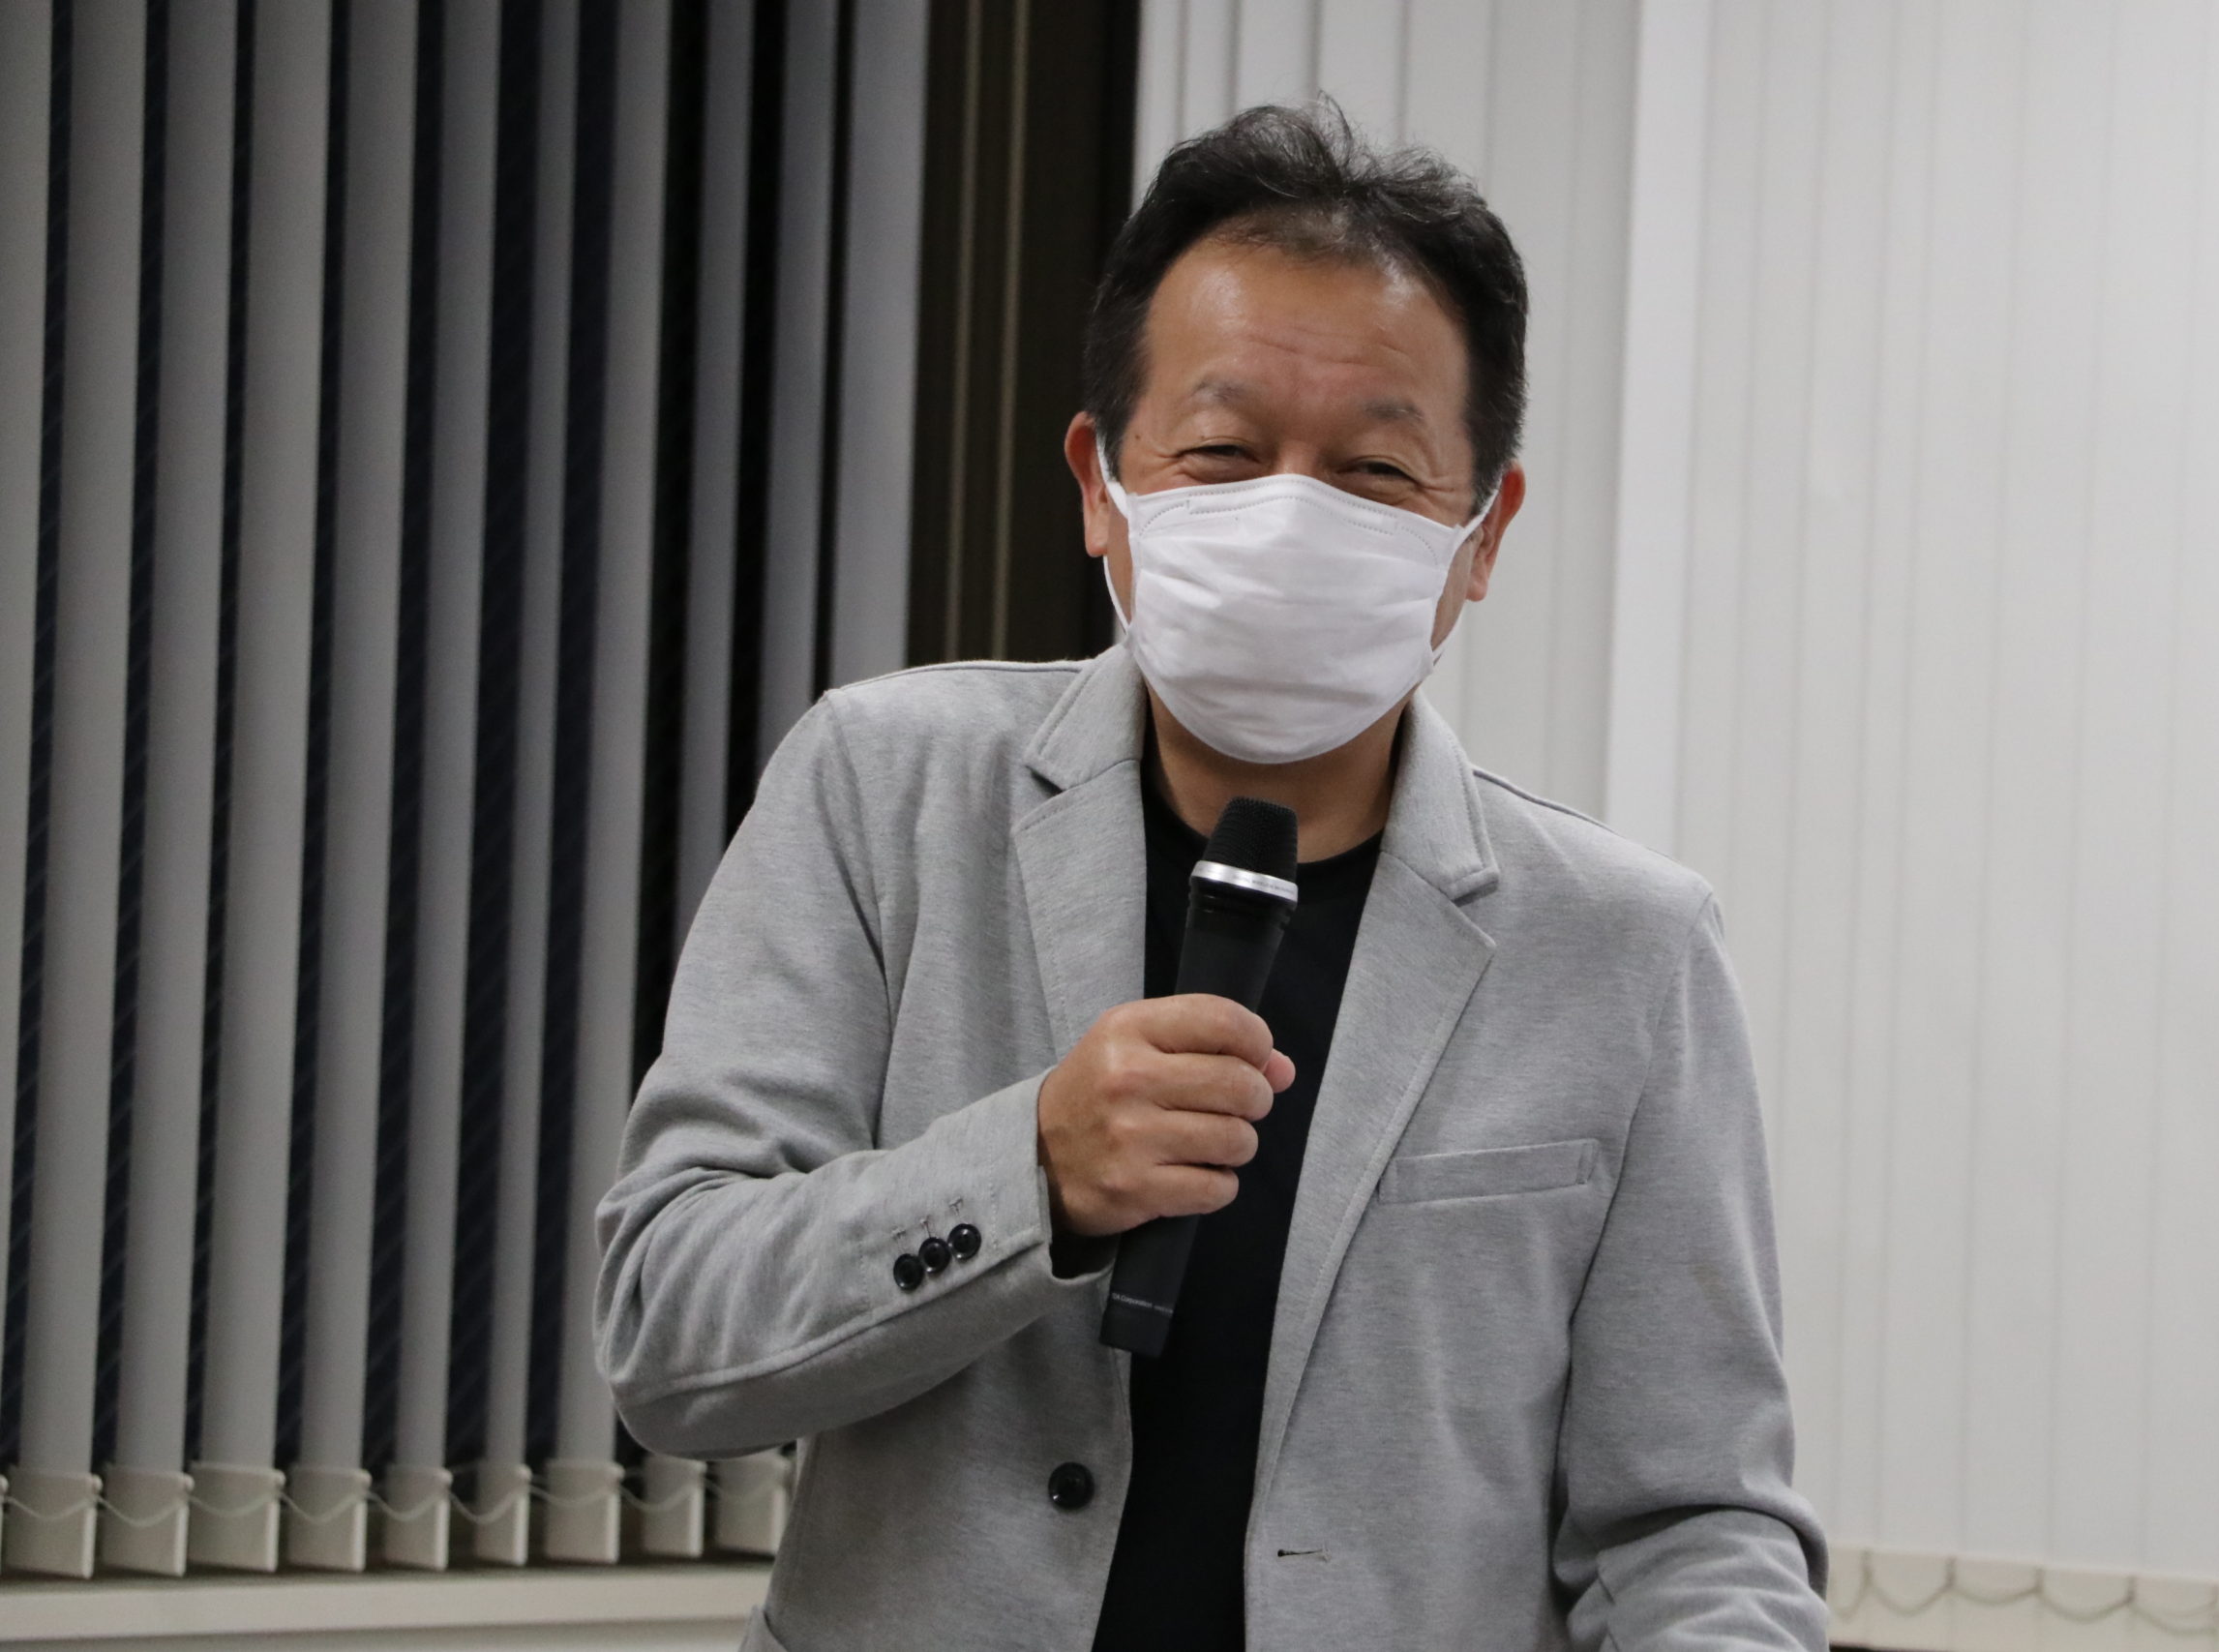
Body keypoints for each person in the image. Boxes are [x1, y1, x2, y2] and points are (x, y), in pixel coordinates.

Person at [595, 103, 1828, 1652]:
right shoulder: (884, 787)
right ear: (1102, 483)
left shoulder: (1624, 948)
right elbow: (672, 1340)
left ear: (1483, 530)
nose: (1292, 514)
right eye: (1226, 453)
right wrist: (1030, 1174)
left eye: (1376, 469)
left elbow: (1693, 1524)